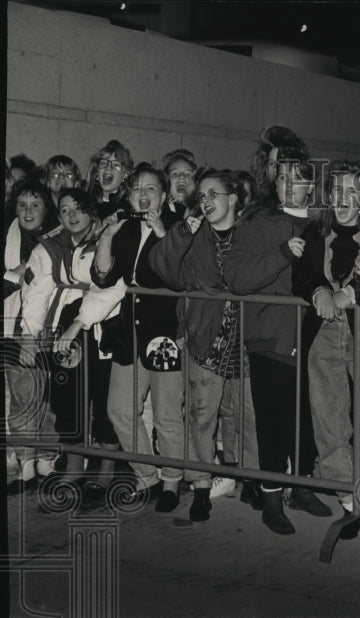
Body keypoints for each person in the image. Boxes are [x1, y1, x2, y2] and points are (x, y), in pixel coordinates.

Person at [149, 168, 261, 521]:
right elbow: (164, 269)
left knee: (248, 415)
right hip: (205, 337)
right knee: (201, 417)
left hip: (246, 340)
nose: (207, 201)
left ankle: (253, 479)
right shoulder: (195, 236)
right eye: (202, 196)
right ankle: (200, 485)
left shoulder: (252, 236)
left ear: (234, 198)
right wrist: (181, 233)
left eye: (214, 194)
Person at [294, 161, 360, 523]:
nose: (342, 199)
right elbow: (302, 276)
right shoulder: (315, 230)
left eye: (351, 191)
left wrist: (354, 292)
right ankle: (347, 493)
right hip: (321, 334)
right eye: (337, 190)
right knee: (329, 422)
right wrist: (320, 290)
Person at [224, 150, 323, 535]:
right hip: (269, 334)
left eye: (297, 179)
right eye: (282, 178)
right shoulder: (258, 222)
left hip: (311, 336)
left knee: (305, 418)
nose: (288, 186)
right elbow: (236, 277)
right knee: (272, 420)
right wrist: (282, 254)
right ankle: (271, 497)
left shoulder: (320, 224)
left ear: (311, 185)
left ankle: (300, 486)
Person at [19, 189, 124, 499]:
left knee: (104, 399)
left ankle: (106, 468)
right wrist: (29, 334)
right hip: (65, 325)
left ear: (91, 211)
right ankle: (75, 466)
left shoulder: (108, 237)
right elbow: (38, 290)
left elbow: (112, 288)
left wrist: (80, 323)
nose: (71, 215)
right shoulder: (53, 244)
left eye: (78, 208)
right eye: (64, 210)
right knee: (67, 397)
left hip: (103, 326)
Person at [92, 162, 185, 510]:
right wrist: (107, 236)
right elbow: (103, 276)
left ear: (163, 195)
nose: (143, 195)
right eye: (137, 189)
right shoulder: (125, 229)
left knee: (166, 415)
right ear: (129, 196)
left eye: (150, 189)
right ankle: (148, 476)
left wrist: (163, 235)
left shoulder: (178, 227)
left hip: (164, 333)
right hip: (129, 331)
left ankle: (173, 482)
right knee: (119, 409)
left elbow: (180, 277)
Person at [4, 180, 60, 491]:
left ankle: (46, 460)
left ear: (46, 209)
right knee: (22, 399)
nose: (28, 211)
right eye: (22, 205)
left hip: (48, 328)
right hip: (12, 327)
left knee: (47, 400)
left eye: (35, 205)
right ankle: (25, 466)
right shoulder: (7, 237)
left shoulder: (56, 238)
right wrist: (16, 273)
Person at [85, 140, 133, 218]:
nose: (108, 168)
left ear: (125, 174)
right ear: (97, 171)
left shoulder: (130, 207)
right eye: (103, 163)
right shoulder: (85, 203)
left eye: (115, 165)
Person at [161, 148, 197, 219]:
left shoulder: (200, 210)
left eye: (187, 174)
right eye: (175, 174)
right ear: (166, 180)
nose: (182, 176)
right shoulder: (159, 211)